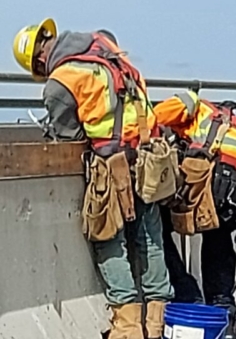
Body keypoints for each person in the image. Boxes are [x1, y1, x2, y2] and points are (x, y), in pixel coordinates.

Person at [12, 18, 176, 339]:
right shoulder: (105, 46)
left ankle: (128, 328)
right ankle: (157, 325)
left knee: (108, 239)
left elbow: (68, 135)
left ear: (39, 62)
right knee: (150, 238)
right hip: (147, 156)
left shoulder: (61, 81)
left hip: (110, 163)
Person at [153, 90, 236, 338]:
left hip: (217, 172)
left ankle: (188, 297)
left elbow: (153, 119)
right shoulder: (224, 121)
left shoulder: (189, 102)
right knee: (217, 240)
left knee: (158, 227)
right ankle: (223, 313)